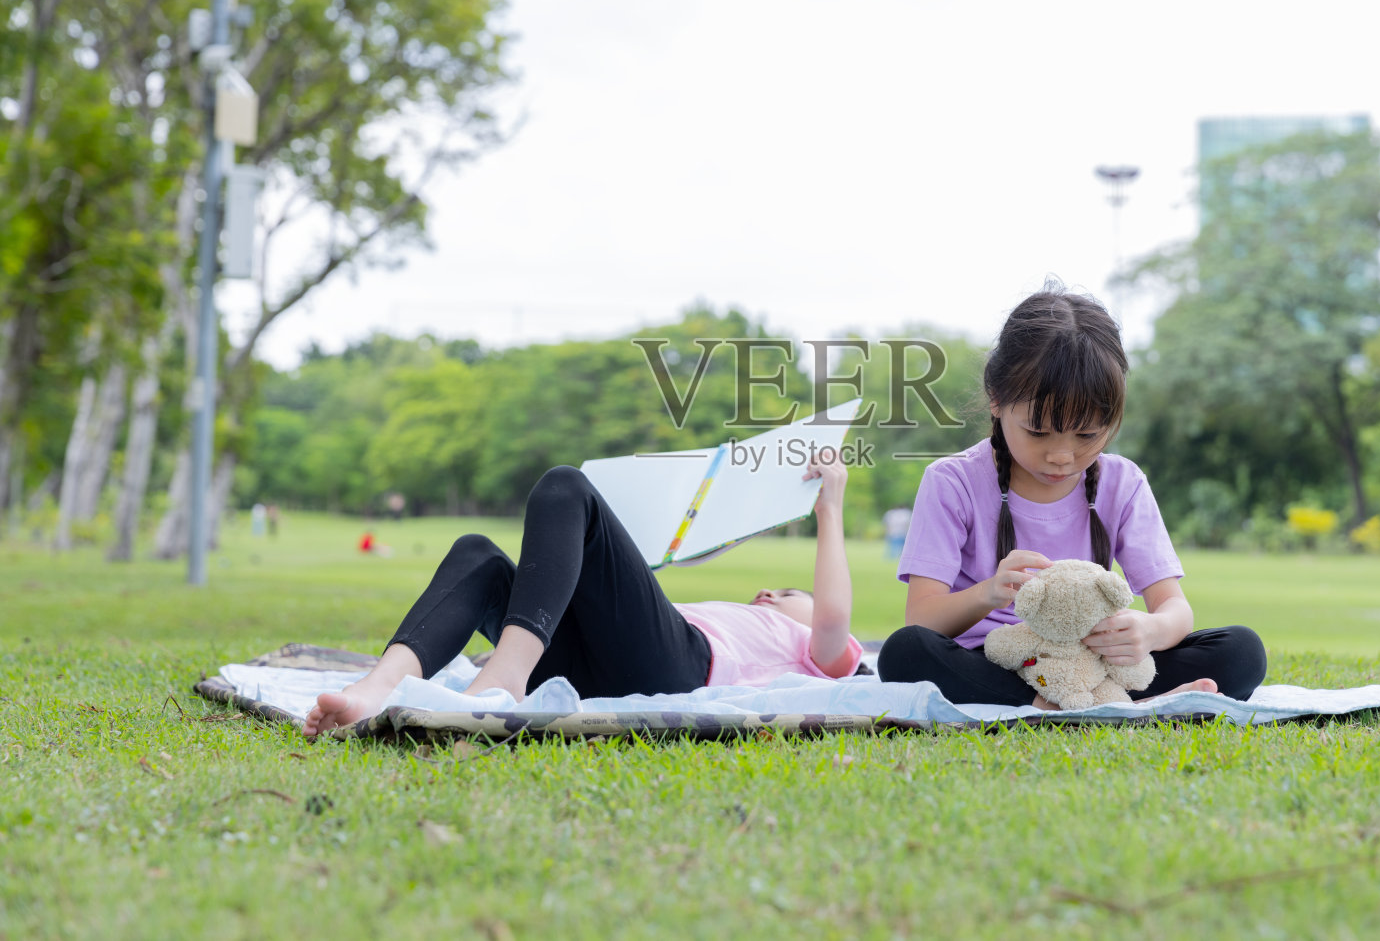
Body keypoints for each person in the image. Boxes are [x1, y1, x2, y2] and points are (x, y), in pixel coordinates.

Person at [876, 286, 1267, 709]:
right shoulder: (953, 482)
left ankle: (1061, 703)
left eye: (1087, 435)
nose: (1061, 456)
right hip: (995, 658)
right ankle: (1111, 705)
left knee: (1242, 651)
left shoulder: (1123, 483)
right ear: (996, 398)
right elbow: (921, 620)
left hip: (1096, 666)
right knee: (906, 652)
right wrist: (990, 592)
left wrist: (1149, 631)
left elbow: (1172, 606)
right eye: (1038, 432)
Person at [304, 454, 860, 739]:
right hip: (587, 663)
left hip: (676, 668)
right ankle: (377, 687)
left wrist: (829, 508)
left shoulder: (811, 650)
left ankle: (503, 678)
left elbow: (834, 618)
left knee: (565, 483)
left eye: (788, 593)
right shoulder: (726, 616)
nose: (767, 593)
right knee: (479, 554)